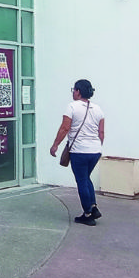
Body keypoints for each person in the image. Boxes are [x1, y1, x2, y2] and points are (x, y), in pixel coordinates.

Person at [49, 79, 105, 226]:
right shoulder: (98, 109)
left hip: (79, 151)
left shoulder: (72, 107)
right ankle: (93, 207)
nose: (73, 92)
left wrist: (55, 145)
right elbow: (101, 132)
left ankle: (87, 214)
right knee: (86, 178)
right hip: (95, 151)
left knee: (81, 181)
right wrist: (97, 146)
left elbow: (64, 128)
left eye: (74, 89)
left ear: (78, 91)